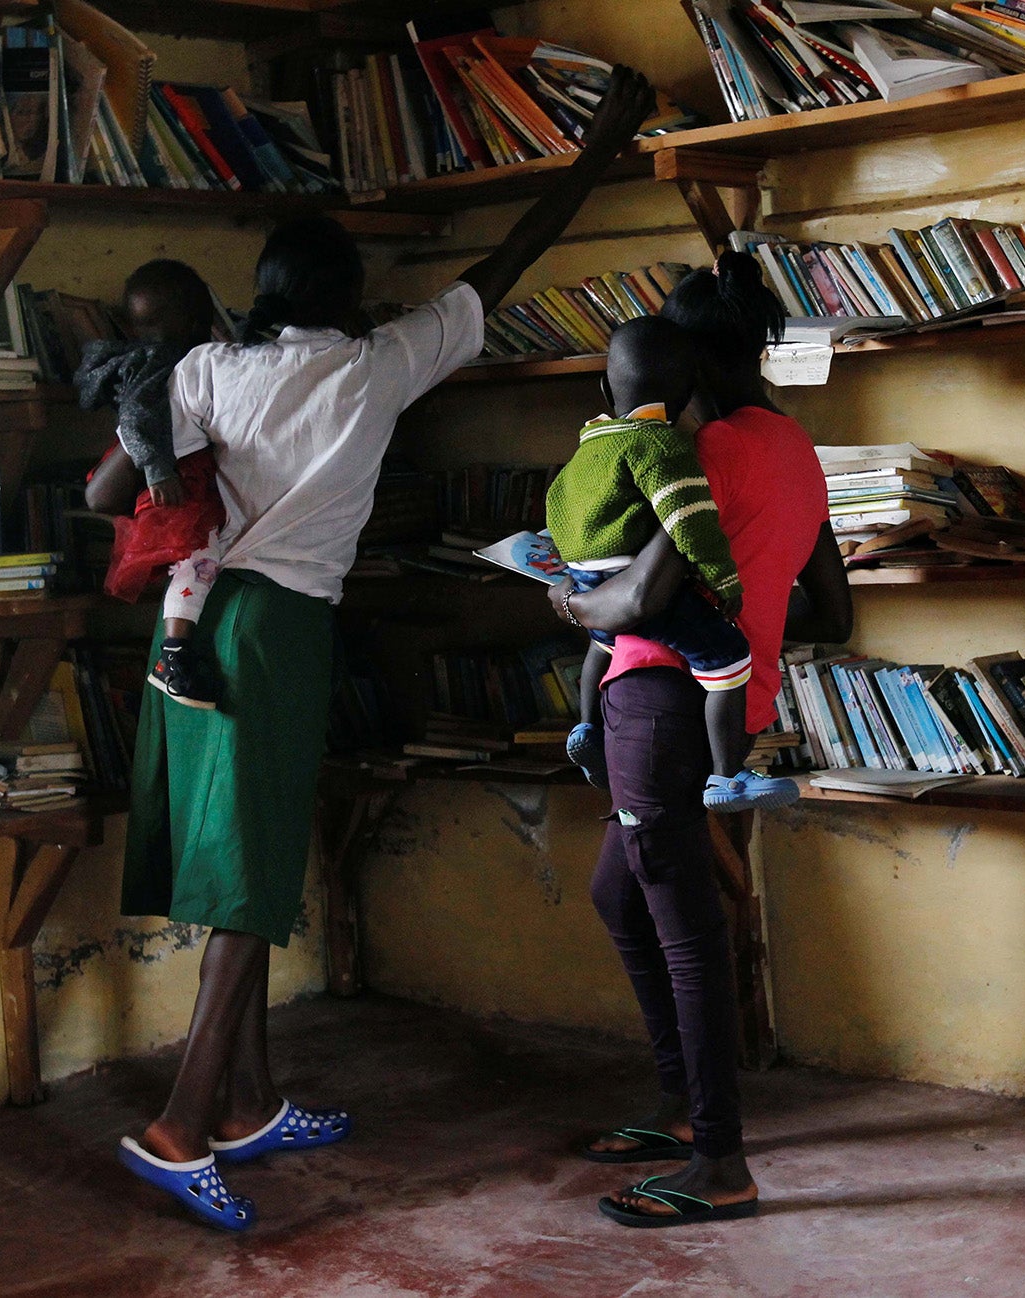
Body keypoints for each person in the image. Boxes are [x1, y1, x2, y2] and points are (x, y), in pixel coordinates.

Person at [110, 68, 660, 1233]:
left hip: (192, 623)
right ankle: (177, 1123)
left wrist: (158, 432)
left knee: (242, 864)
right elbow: (502, 268)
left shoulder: (207, 369)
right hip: (274, 632)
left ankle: (249, 1102)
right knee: (251, 884)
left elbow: (120, 477)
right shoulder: (372, 369)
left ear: (257, 297)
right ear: (349, 295)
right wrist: (602, 141)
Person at [548, 251, 854, 1227]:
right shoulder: (794, 448)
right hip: (722, 695)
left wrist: (563, 594)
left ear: (679, 360)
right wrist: (747, 613)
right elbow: (832, 609)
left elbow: (639, 594)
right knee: (620, 891)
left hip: (660, 700)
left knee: (684, 928)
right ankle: (684, 1109)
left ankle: (719, 1160)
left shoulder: (703, 453)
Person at [546, 316, 799, 814]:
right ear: (686, 395)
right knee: (728, 660)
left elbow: (557, 506)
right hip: (637, 597)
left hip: (586, 574)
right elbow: (690, 522)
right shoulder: (663, 446)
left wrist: (573, 577)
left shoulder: (588, 446)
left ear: (604, 386)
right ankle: (728, 778)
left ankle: (586, 727)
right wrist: (723, 580)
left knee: (600, 647)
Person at [77, 259, 227, 707]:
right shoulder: (167, 362)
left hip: (179, 472)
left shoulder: (166, 356)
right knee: (199, 557)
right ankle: (174, 655)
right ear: (199, 319)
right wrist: (158, 469)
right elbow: (137, 418)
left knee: (199, 558)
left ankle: (176, 651)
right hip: (176, 479)